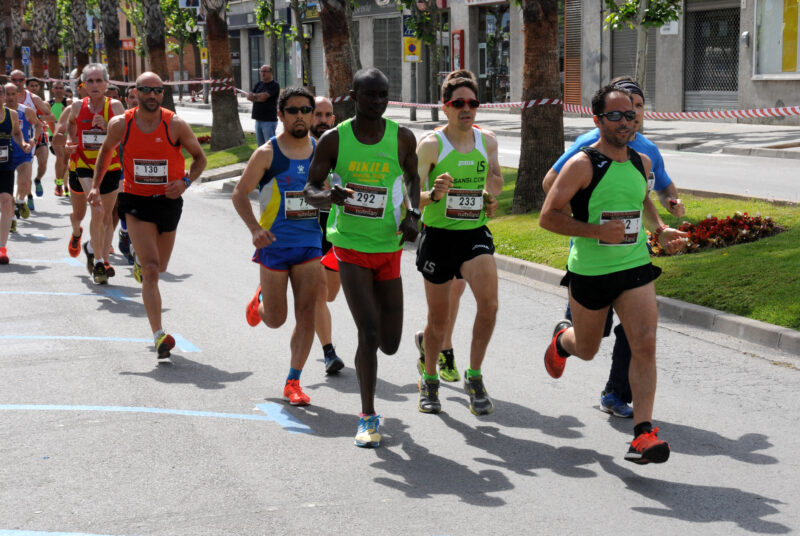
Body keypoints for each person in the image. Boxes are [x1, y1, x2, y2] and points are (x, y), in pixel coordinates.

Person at [539, 84, 687, 465]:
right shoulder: (582, 164)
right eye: (617, 115)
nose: (627, 121)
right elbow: (547, 217)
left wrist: (659, 230)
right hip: (590, 271)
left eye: (632, 114)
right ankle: (562, 341)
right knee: (586, 349)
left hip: (634, 266)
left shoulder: (642, 162)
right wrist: (594, 231)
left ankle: (643, 433)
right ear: (598, 120)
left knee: (645, 342)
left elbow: (640, 198)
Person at [304, 68, 421, 448]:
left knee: (390, 342)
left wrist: (413, 214)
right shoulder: (334, 141)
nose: (378, 102)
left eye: (384, 95)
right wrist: (327, 197)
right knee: (368, 333)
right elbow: (310, 189)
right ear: (353, 96)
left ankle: (405, 353)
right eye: (370, 94)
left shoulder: (401, 137)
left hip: (388, 247)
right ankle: (368, 416)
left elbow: (413, 178)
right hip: (350, 246)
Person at [88, 71, 206, 359]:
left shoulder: (174, 124)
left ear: (162, 94)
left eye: (157, 91)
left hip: (168, 202)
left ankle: (142, 263)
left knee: (160, 267)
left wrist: (186, 182)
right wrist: (94, 187)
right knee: (152, 270)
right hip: (135, 200)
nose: (152, 96)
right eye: (146, 90)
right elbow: (105, 153)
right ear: (135, 92)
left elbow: (200, 158)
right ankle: (158, 335)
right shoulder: (121, 124)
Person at [413, 69, 504, 416]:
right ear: (445, 107)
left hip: (473, 234)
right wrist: (433, 194)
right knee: (438, 320)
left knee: (490, 305)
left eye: (472, 103)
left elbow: (494, 185)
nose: (467, 109)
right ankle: (431, 379)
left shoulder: (488, 141)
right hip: (438, 237)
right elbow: (408, 196)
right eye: (459, 103)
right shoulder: (432, 146)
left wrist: (489, 198)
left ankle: (475, 376)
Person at [234, 87, 322, 406]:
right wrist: (255, 229)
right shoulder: (267, 153)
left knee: (308, 312)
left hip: (310, 243)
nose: (300, 115)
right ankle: (259, 303)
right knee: (276, 319)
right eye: (293, 110)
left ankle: (293, 381)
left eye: (306, 109)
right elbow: (240, 194)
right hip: (274, 244)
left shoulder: (322, 152)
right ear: (281, 115)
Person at [62, 63, 126, 284]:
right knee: (96, 210)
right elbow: (70, 126)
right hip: (84, 164)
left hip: (111, 166)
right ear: (83, 84)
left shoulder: (115, 107)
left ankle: (96, 252)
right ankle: (99, 262)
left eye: (99, 80)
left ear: (107, 83)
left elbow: (127, 136)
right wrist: (71, 141)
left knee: (107, 217)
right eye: (90, 81)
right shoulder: (77, 107)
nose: (95, 85)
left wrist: (108, 125)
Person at [310, 95, 345, 375]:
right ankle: (329, 351)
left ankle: (267, 287)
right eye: (317, 114)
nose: (322, 120)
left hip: (334, 233)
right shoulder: (296, 148)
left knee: (330, 294)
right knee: (319, 294)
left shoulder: (341, 147)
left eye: (327, 115)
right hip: (305, 232)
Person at [0, 83, 33, 263]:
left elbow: (17, 133)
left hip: (5, 165)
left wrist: (23, 143)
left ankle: (2, 248)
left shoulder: (11, 115)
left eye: (0, 94)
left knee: (6, 202)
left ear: (4, 96)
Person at [3, 82, 42, 233]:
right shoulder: (1, 112)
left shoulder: (25, 111)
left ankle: (20, 201)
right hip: (5, 155)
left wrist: (33, 140)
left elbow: (38, 125)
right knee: (7, 192)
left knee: (25, 183)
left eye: (14, 94)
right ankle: (12, 218)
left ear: (18, 95)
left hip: (23, 151)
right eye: (8, 94)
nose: (11, 97)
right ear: (2, 95)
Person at [17, 75, 55, 204]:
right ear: (26, 86)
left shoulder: (37, 101)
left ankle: (38, 179)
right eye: (31, 85)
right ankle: (29, 196)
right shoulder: (12, 99)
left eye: (36, 86)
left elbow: (52, 118)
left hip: (39, 135)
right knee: (27, 169)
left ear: (39, 88)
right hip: (24, 138)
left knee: (43, 163)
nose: (34, 88)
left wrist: (37, 117)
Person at [47, 80, 72, 197]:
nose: (58, 90)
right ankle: (58, 184)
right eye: (56, 88)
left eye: (60, 88)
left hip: (67, 135)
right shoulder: (48, 103)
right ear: (52, 90)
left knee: (66, 161)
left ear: (64, 89)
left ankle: (62, 182)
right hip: (53, 134)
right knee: (60, 157)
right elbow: (44, 117)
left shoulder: (68, 102)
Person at [247, 65, 280, 147]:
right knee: (261, 147)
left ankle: (272, 160)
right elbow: (249, 97)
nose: (263, 73)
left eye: (265, 71)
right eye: (261, 71)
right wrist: (257, 97)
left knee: (269, 146)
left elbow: (264, 97)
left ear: (270, 73)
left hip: (268, 121)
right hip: (258, 120)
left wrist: (255, 97)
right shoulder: (258, 84)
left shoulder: (274, 85)